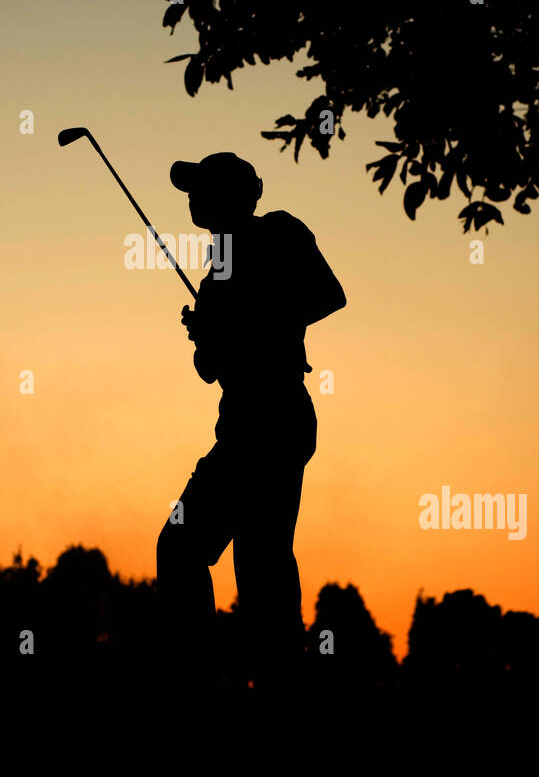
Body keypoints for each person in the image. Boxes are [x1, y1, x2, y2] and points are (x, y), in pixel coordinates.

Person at [156, 152, 346, 689]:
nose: (192, 198)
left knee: (248, 562)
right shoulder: (214, 276)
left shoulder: (279, 233)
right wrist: (207, 335)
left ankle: (262, 680)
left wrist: (246, 319)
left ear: (237, 196)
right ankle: (225, 675)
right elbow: (209, 371)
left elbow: (329, 295)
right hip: (240, 424)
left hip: (276, 416)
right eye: (191, 190)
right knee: (215, 554)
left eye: (202, 189)